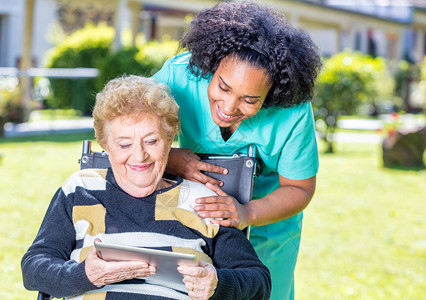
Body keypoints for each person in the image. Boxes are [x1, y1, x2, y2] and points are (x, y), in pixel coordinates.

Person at [21, 75, 271, 300]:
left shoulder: (203, 202)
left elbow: (258, 281)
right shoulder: (81, 189)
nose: (139, 156)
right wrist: (84, 275)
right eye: (124, 144)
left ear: (170, 140)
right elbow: (33, 268)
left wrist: (218, 284)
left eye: (151, 141)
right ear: (105, 144)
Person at [152, 2, 323, 299]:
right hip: (194, 212)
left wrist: (247, 212)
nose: (229, 108)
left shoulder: (292, 110)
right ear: (212, 65)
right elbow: (124, 131)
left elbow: (299, 188)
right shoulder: (179, 75)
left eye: (250, 100)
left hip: (268, 221)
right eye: (223, 86)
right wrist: (171, 159)